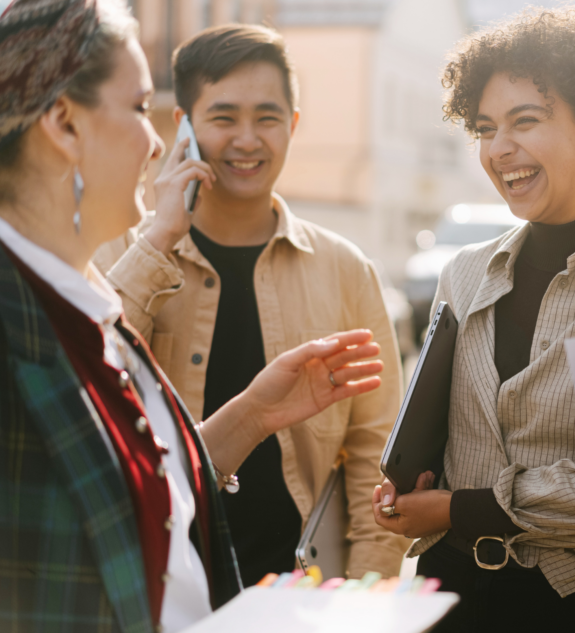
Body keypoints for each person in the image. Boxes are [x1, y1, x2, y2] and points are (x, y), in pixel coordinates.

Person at [0, 2, 384, 631]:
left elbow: (144, 485)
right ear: (63, 122)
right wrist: (159, 238)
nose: (157, 144)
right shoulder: (11, 304)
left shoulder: (77, 295)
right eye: (141, 108)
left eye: (267, 118)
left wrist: (254, 414)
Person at [370, 9, 575, 632]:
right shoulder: (462, 273)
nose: (499, 149)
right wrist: (409, 484)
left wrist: (454, 509)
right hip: (447, 598)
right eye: (486, 128)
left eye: (526, 121)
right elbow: (438, 429)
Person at [93, 24, 408, 585]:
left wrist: (369, 593)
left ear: (293, 124)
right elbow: (86, 378)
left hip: (297, 590)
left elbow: (377, 457)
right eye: (223, 117)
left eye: (266, 117)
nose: (247, 139)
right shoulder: (122, 249)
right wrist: (161, 237)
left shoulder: (344, 269)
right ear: (183, 127)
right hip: (157, 580)